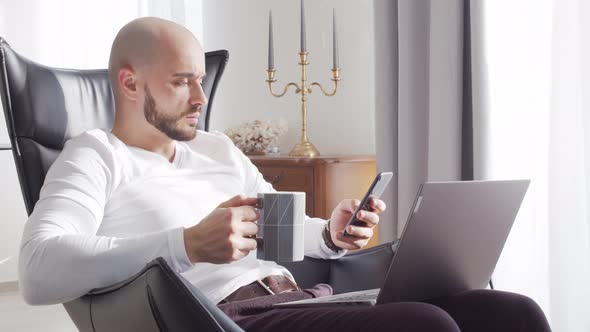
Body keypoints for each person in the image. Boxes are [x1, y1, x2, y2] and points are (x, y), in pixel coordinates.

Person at [18, 17, 551, 332]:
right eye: (182, 82)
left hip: (297, 296)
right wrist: (185, 244)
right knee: (425, 326)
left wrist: (330, 233)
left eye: (202, 81)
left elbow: (278, 225)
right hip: (227, 320)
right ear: (130, 84)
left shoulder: (215, 147)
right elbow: (38, 270)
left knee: (509, 313)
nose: (201, 99)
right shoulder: (97, 155)